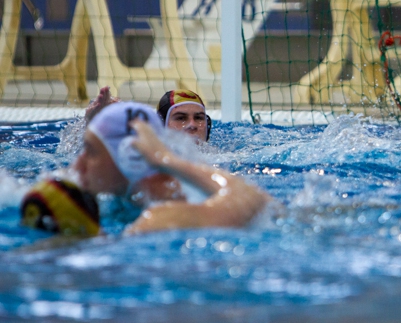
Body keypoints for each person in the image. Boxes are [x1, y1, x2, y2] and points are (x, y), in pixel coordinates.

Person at [74, 101, 269, 233]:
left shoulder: (157, 220)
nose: (78, 164)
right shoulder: (180, 199)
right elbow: (248, 199)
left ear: (130, 157)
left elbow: (253, 203)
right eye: (181, 118)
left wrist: (164, 158)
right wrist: (167, 159)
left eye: (91, 152)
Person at [85, 86, 211, 143]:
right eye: (181, 118)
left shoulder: (223, 157)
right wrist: (95, 124)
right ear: (161, 125)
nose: (192, 125)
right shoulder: (145, 158)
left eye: (199, 118)